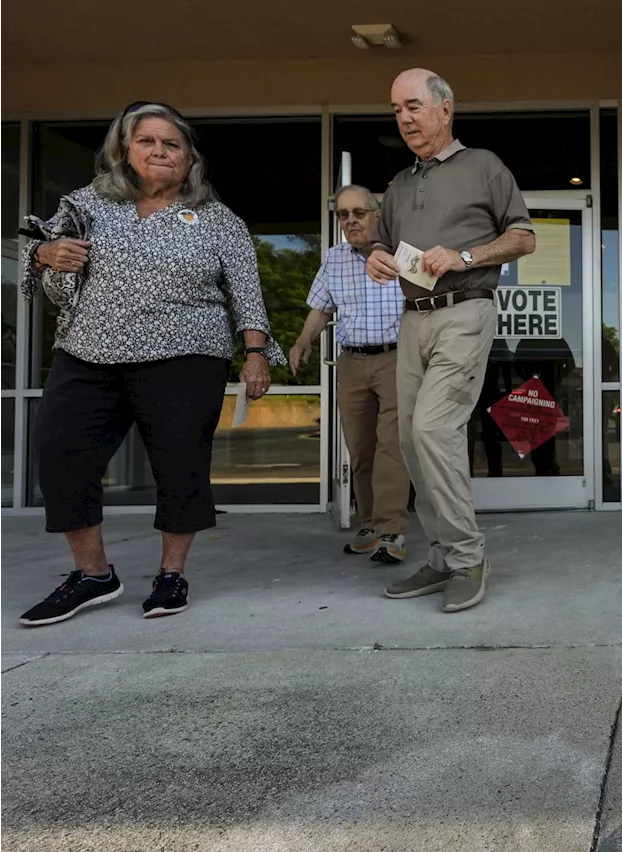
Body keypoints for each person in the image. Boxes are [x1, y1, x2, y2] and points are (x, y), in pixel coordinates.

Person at [16, 102, 285, 627]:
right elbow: (40, 247)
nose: (160, 152)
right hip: (89, 351)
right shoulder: (89, 204)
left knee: (179, 464)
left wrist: (255, 355)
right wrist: (48, 255)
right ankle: (92, 574)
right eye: (148, 142)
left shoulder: (218, 219)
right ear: (125, 150)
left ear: (189, 158)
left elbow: (248, 296)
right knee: (59, 450)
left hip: (186, 354)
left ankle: (171, 574)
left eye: (172, 144)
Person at [366, 68, 536, 612]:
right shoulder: (400, 184)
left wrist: (465, 255)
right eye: (396, 110)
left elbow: (524, 236)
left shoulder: (484, 166)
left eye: (413, 106)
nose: (405, 118)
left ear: (444, 108)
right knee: (412, 442)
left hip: (465, 310)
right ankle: (441, 556)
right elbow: (381, 242)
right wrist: (374, 255)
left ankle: (466, 556)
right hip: (412, 316)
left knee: (433, 429)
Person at [289, 184, 411, 563]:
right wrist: (303, 339)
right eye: (343, 214)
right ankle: (371, 523)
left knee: (393, 445)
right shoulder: (335, 258)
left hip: (396, 358)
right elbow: (321, 307)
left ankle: (392, 530)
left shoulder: (401, 254)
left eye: (359, 212)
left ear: (377, 214)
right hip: (352, 362)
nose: (351, 220)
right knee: (360, 449)